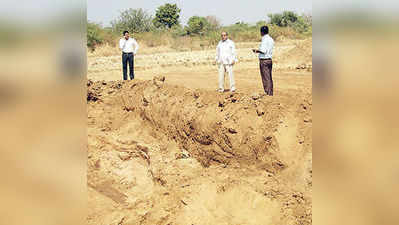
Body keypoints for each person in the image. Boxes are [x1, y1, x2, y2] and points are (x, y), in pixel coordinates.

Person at [252, 26, 274, 96]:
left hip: (264, 60)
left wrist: (256, 50)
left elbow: (263, 51)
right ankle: (270, 93)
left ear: (261, 32)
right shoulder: (271, 39)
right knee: (269, 77)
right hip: (269, 60)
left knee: (265, 78)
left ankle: (268, 93)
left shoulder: (264, 39)